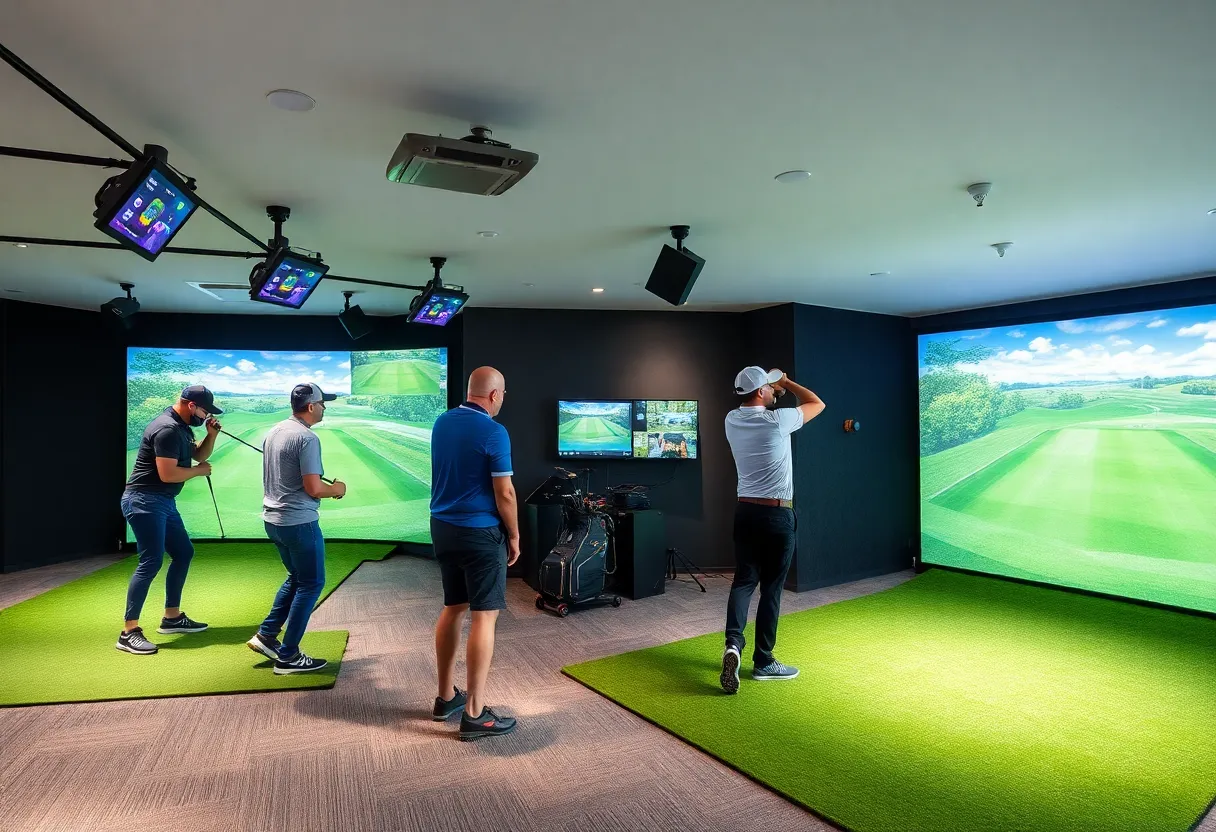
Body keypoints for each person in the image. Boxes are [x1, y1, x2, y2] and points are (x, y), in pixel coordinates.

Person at [429, 366, 520, 741]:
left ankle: (446, 697)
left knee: (454, 607)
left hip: (443, 528)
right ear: (495, 395)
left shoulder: (441, 422)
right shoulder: (494, 431)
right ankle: (475, 713)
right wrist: (514, 535)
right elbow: (506, 494)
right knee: (485, 616)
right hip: (480, 533)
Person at [720, 366, 825, 694]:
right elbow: (816, 402)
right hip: (777, 516)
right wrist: (786, 382)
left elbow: (762, 400)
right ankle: (764, 661)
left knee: (743, 581)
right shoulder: (777, 421)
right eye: (767, 388)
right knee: (772, 589)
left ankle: (733, 646)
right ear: (761, 392)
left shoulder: (731, 420)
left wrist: (771, 386)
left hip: (745, 511)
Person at [246, 383, 347, 675]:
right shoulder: (307, 438)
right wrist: (337, 489)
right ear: (311, 406)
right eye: (323, 403)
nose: (325, 407)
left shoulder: (275, 431)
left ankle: (266, 635)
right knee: (312, 583)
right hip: (299, 523)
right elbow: (313, 488)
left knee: (296, 577)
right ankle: (288, 656)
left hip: (273, 521)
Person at [117, 385, 222, 655]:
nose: (206, 415)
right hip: (144, 500)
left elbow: (199, 454)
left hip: (162, 501)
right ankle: (128, 632)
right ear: (191, 405)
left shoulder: (182, 427)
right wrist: (198, 472)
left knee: (183, 552)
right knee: (151, 561)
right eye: (204, 410)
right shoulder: (166, 429)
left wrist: (210, 436)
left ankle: (172, 617)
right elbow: (168, 474)